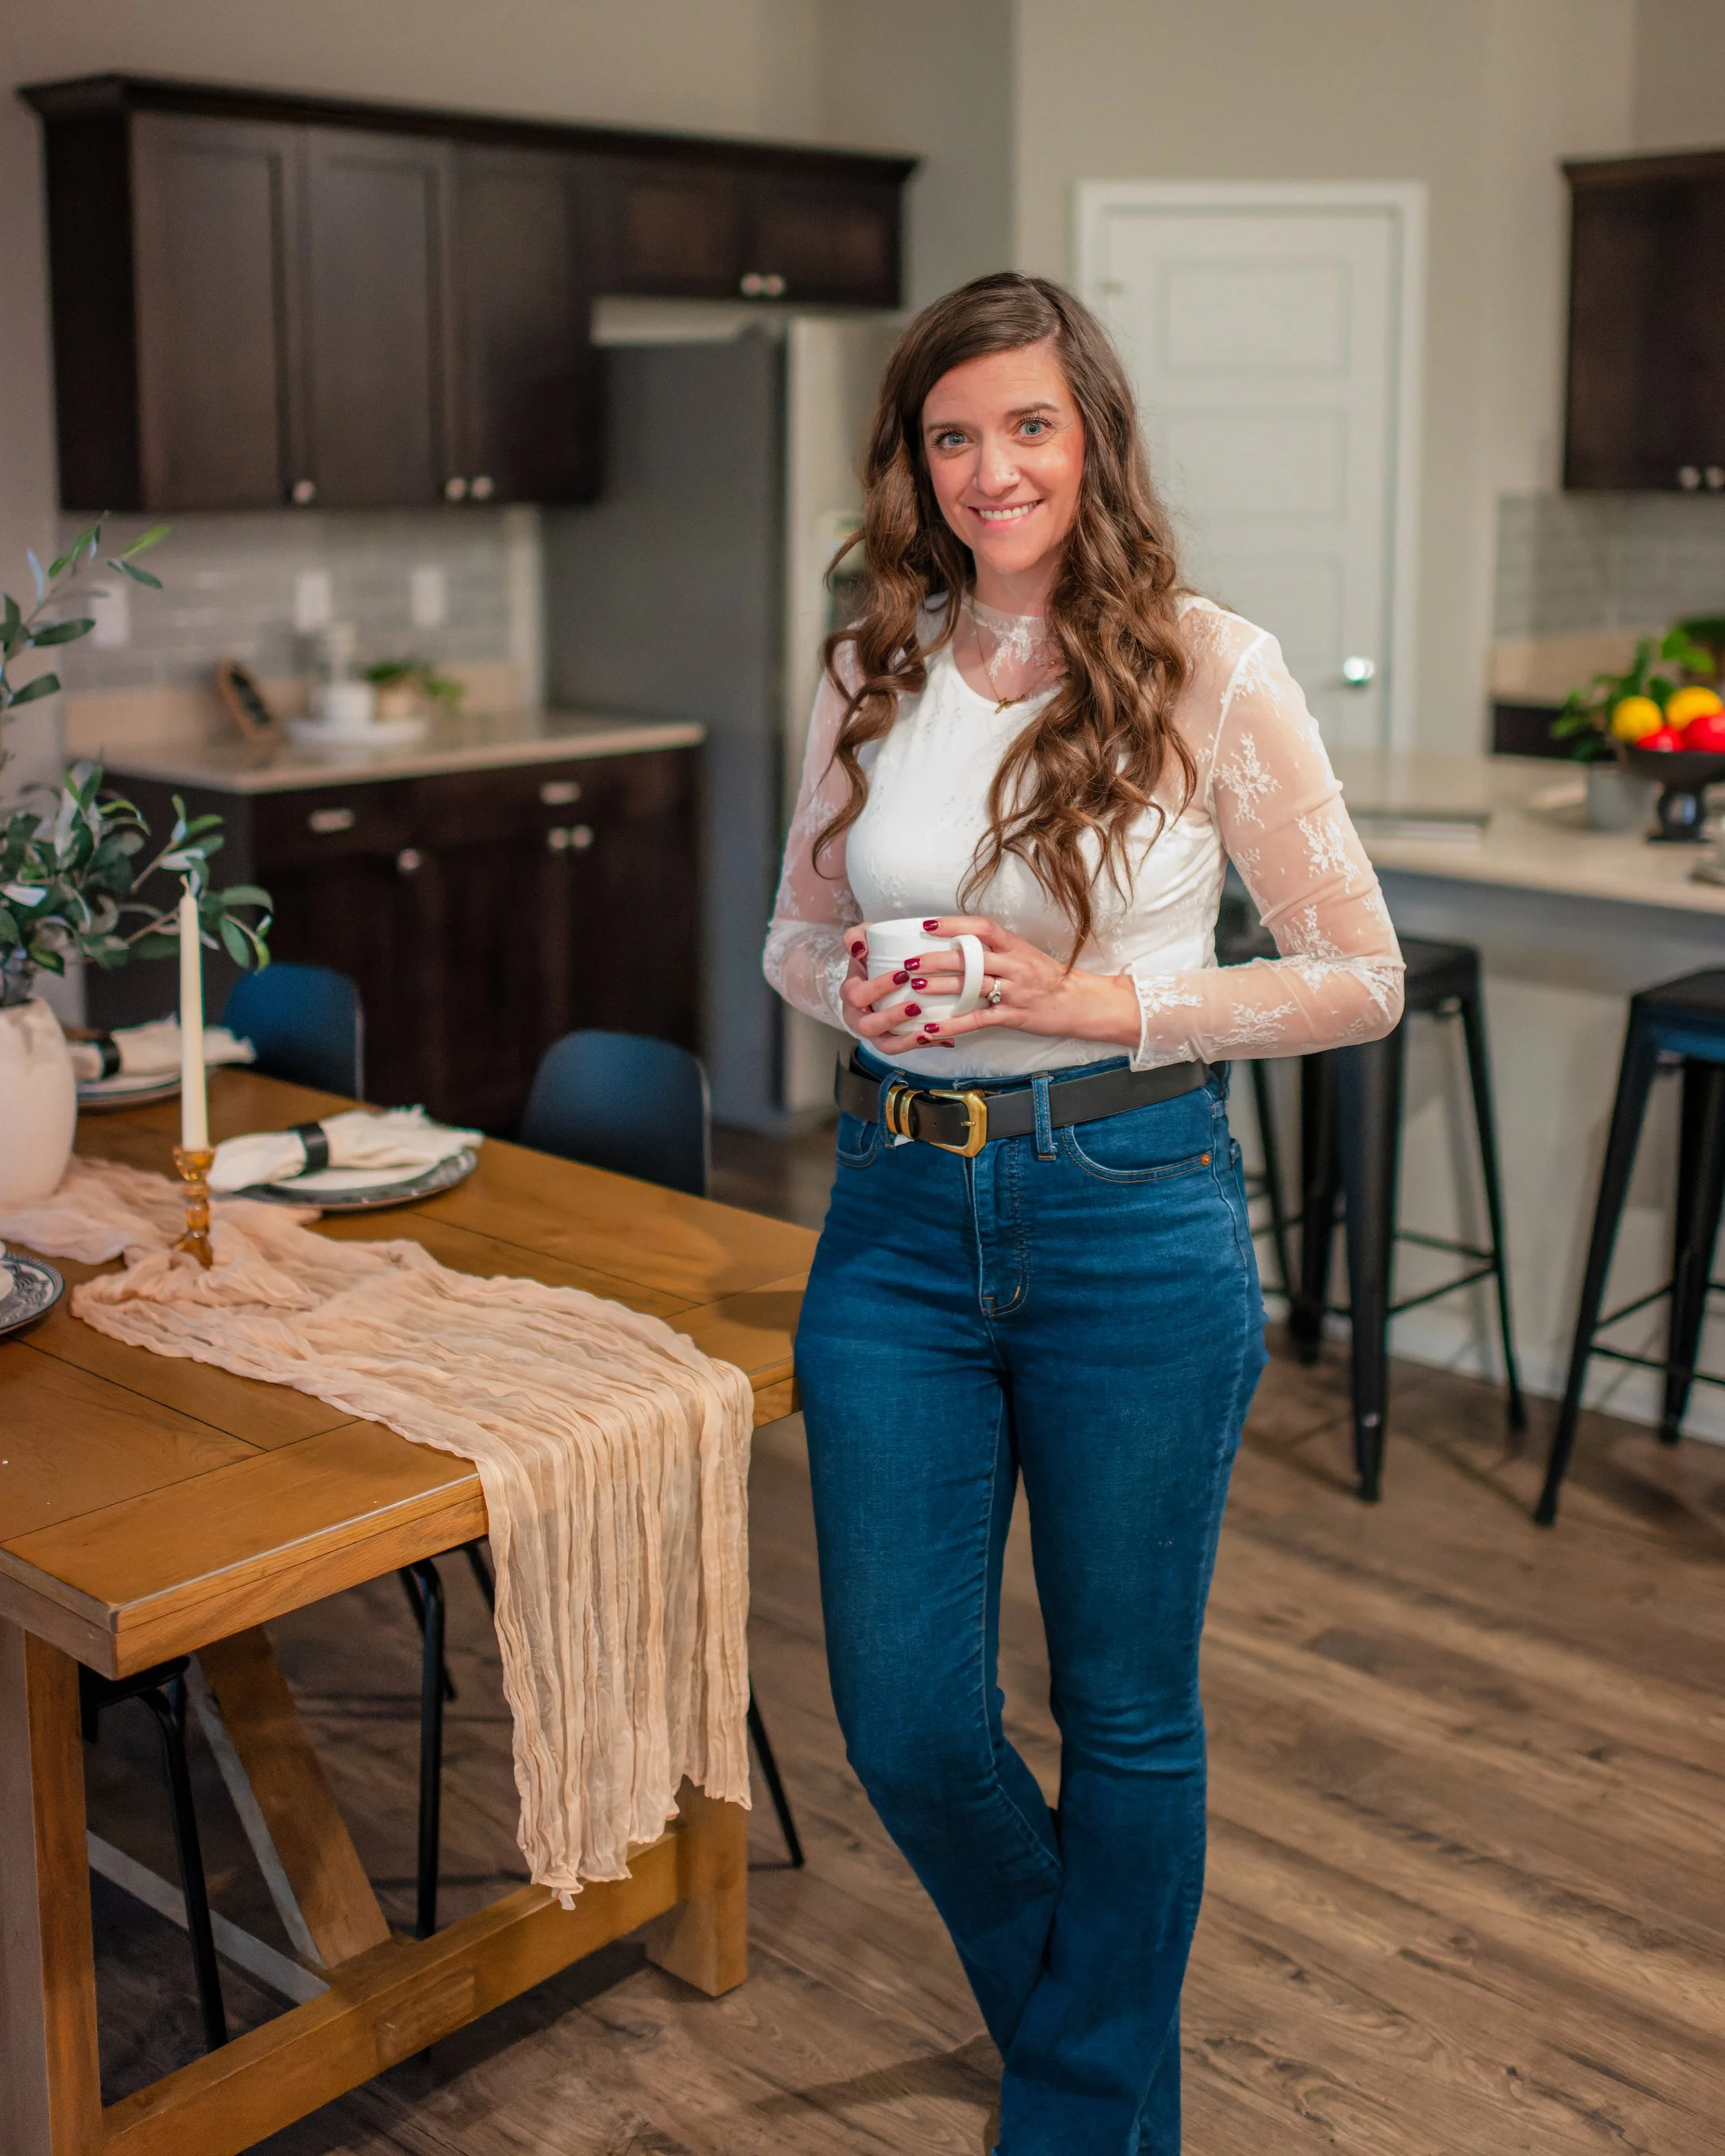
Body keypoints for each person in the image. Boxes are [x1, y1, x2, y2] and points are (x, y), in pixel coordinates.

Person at [762, 271, 1403, 2155]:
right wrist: (850, 992)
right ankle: (1103, 2068)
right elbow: (794, 937)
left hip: (1130, 1205)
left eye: (1025, 425)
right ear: (915, 464)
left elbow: (1354, 976)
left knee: (1122, 1709)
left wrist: (1086, 999)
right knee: (900, 1716)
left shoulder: (1211, 662)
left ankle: (1075, 2116)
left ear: (1089, 438)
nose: (990, 469)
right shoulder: (866, 663)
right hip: (890, 1211)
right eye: (951, 436)